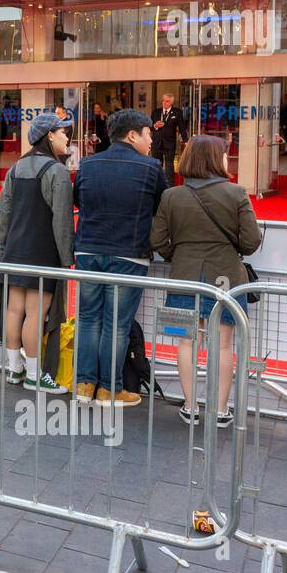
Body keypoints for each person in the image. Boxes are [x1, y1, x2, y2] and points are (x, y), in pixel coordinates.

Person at [150, 135, 261, 428]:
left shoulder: (172, 195)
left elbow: (157, 239)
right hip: (225, 276)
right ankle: (221, 409)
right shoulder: (236, 193)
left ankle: (189, 406)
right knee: (223, 346)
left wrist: (179, 252)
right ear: (215, 159)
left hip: (184, 275)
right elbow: (251, 242)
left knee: (186, 343)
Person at [73, 108, 167, 406]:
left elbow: (79, 200)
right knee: (116, 324)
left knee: (88, 319)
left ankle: (84, 386)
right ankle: (109, 389)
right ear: (132, 135)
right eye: (148, 133)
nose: (151, 139)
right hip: (130, 253)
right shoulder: (151, 168)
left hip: (88, 249)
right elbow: (162, 208)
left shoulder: (88, 164)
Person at [0, 112, 73, 394]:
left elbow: (4, 215)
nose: (66, 137)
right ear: (49, 136)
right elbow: (62, 220)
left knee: (14, 310)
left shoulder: (16, 168)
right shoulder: (56, 171)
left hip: (14, 250)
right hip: (41, 253)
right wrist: (67, 258)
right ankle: (35, 375)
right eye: (62, 132)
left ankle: (14, 368)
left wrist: (2, 250)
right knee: (36, 313)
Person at [151, 93, 189, 185]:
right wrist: (155, 126)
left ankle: (170, 187)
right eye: (163, 100)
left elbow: (182, 128)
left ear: (171, 102)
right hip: (156, 143)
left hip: (169, 143)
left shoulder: (177, 112)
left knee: (169, 167)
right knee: (156, 166)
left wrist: (186, 141)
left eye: (167, 101)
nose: (164, 103)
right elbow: (150, 127)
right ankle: (157, 185)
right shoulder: (156, 111)